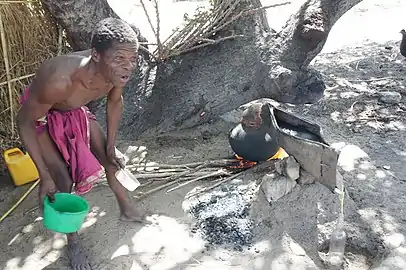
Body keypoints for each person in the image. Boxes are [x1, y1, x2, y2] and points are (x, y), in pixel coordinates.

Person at [16, 17, 147, 270]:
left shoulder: (114, 73)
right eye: (120, 58)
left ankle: (127, 208)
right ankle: (73, 241)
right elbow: (25, 121)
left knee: (110, 160)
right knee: (63, 181)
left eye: (133, 59)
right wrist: (44, 175)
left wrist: (111, 145)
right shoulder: (59, 79)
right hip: (40, 119)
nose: (128, 67)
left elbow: (115, 102)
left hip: (74, 111)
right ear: (96, 55)